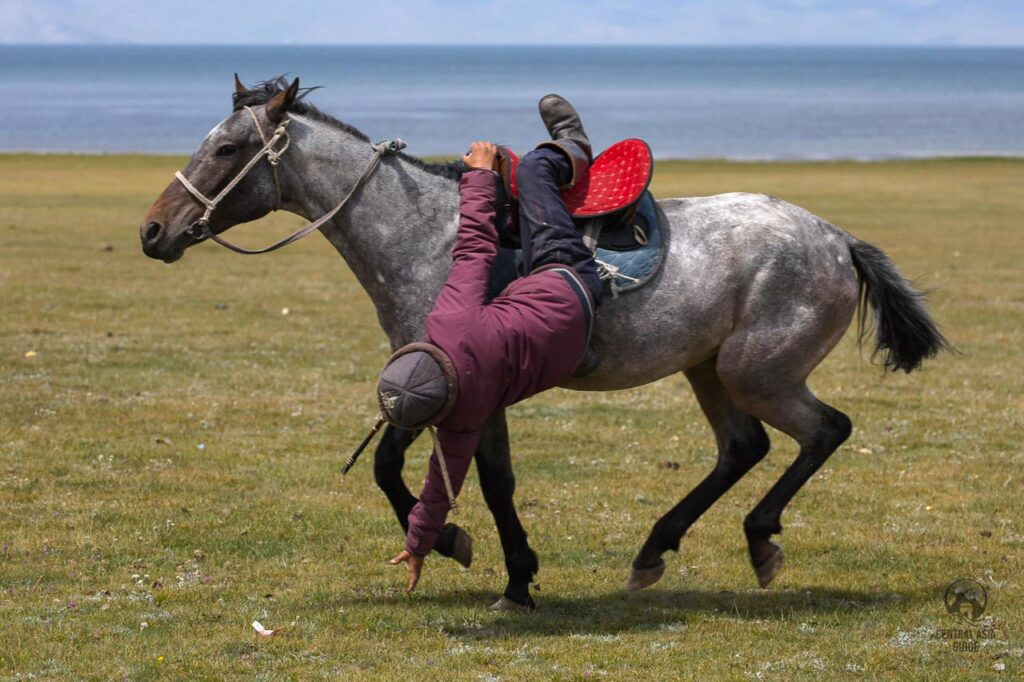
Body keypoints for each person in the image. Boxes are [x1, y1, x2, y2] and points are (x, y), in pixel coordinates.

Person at [380, 95, 602, 593]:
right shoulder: (449, 321)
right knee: (532, 175)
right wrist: (481, 174)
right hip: (564, 276)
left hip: (571, 335)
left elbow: (441, 487)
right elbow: (476, 243)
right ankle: (572, 145)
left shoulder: (462, 418)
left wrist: (418, 544)